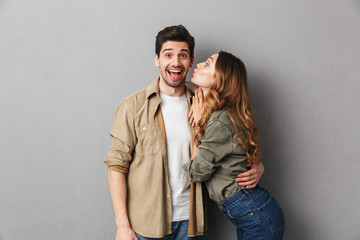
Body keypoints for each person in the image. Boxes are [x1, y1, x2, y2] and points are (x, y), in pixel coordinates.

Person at [104, 25, 265, 240]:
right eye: (168, 54)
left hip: (191, 222)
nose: (176, 62)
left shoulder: (208, 102)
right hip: (146, 224)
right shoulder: (132, 107)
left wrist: (258, 165)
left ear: (191, 61)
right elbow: (117, 167)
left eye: (183, 55)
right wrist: (122, 227)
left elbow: (237, 135)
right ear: (157, 59)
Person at [183, 51, 285, 240]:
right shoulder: (224, 113)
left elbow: (196, 172)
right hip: (255, 211)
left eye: (207, 64)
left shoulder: (220, 121)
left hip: (256, 215)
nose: (197, 65)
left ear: (220, 79)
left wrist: (199, 127)